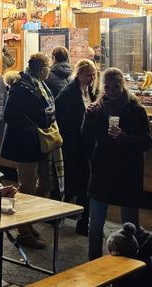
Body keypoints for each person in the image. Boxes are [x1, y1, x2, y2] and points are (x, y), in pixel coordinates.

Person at [82, 67, 152, 260]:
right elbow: (86, 137)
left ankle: (129, 268)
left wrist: (124, 137)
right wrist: (88, 117)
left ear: (122, 86)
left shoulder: (135, 109)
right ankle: (94, 266)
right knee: (95, 225)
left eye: (116, 86)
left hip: (127, 172)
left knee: (129, 227)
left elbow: (147, 142)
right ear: (102, 87)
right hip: (102, 171)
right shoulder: (98, 109)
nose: (112, 90)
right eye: (107, 86)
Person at [1, 52, 62, 249]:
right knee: (27, 187)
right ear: (42, 69)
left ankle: (27, 222)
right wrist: (31, 130)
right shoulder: (21, 87)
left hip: (39, 144)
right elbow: (9, 115)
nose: (49, 73)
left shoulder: (38, 85)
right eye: (47, 69)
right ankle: (23, 231)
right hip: (25, 145)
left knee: (45, 184)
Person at [54, 58, 99, 236]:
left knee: (84, 185)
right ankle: (60, 216)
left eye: (94, 75)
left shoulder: (91, 91)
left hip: (87, 145)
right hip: (73, 146)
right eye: (89, 75)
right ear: (79, 74)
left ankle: (82, 221)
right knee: (75, 185)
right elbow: (62, 121)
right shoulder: (67, 94)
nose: (92, 78)